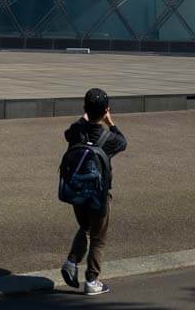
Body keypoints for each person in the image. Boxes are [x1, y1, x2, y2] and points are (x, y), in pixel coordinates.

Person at [60, 87, 127, 295]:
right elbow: (123, 142)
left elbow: (68, 133)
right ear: (106, 110)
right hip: (98, 195)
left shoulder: (77, 131)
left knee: (85, 228)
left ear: (85, 109)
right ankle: (92, 280)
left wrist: (83, 119)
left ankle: (72, 262)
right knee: (98, 238)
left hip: (77, 191)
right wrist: (111, 122)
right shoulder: (108, 139)